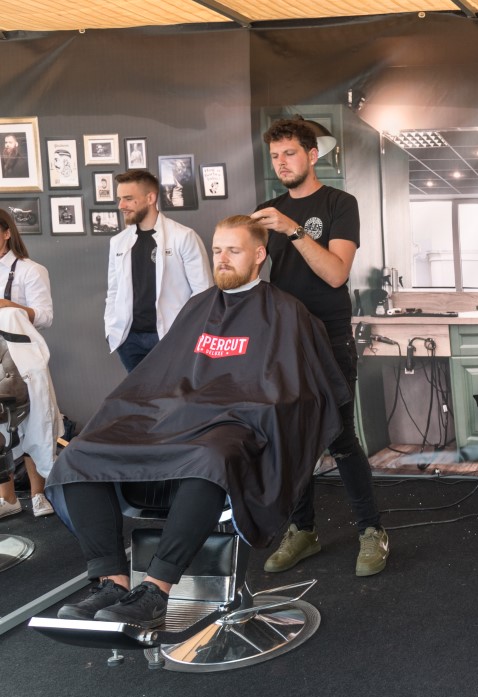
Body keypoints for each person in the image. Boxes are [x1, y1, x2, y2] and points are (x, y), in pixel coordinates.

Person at [50, 216, 349, 628]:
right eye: (217, 249)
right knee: (81, 454)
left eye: (234, 251)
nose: (222, 259)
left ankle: (156, 590)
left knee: (211, 457)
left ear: (259, 255)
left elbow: (301, 394)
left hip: (238, 425)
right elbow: (162, 374)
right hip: (176, 419)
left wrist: (252, 410)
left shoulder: (286, 312)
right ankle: (112, 583)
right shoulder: (198, 307)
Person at [252, 117, 388, 578]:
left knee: (340, 436)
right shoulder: (266, 210)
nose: (281, 163)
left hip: (328, 336)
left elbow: (335, 273)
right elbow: (248, 275)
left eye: (289, 153)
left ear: (312, 155)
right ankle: (302, 530)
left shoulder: (339, 204)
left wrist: (293, 230)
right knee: (290, 439)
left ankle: (371, 530)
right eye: (275, 156)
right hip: (282, 340)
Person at [105, 169, 211, 371]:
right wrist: (111, 329)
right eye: (120, 199)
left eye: (128, 199)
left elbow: (203, 293)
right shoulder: (118, 242)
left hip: (171, 337)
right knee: (138, 391)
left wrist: (186, 334)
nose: (121, 206)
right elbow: (114, 291)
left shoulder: (183, 237)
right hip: (129, 340)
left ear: (150, 198)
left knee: (173, 391)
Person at [0, 208, 61, 519]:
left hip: (23, 360)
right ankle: (8, 498)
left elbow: (46, 316)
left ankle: (39, 494)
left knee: (33, 423)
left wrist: (11, 306)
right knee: (0, 427)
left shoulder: (30, 270)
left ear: (6, 233)